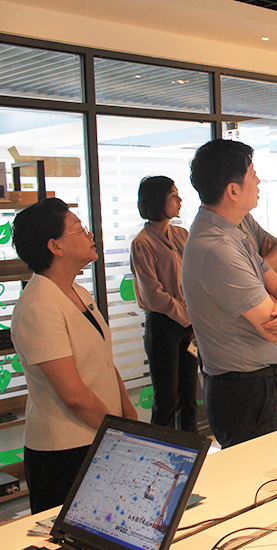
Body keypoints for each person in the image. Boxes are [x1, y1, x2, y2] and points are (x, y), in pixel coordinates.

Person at [11, 198, 138, 513]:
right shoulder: (38, 306)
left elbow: (103, 362)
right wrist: (117, 430)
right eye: (79, 229)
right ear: (55, 246)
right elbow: (73, 395)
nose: (89, 234)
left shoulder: (77, 292)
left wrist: (128, 413)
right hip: (64, 449)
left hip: (99, 435)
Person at [182, 139, 277, 449]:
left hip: (258, 384)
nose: (258, 181)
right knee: (259, 472)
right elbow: (273, 326)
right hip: (244, 391)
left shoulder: (234, 232)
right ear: (233, 190)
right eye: (252, 174)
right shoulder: (217, 248)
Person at [130, 176, 198, 432]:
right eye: (173, 196)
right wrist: (187, 316)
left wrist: (193, 318)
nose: (179, 200)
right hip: (163, 325)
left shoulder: (181, 234)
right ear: (158, 200)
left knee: (189, 397)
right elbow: (152, 295)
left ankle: (192, 448)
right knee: (166, 399)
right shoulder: (142, 243)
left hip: (188, 322)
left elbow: (195, 277)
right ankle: (160, 449)